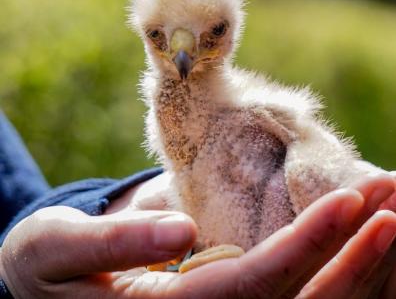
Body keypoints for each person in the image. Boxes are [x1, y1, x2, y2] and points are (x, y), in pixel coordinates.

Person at [0, 111, 395, 298]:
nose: (183, 56)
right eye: (159, 37)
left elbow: (17, 203)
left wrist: (99, 210)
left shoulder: (254, 112)